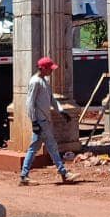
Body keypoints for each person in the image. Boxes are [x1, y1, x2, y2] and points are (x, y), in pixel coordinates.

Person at [20, 56, 73, 185]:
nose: (51, 71)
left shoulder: (44, 80)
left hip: (44, 120)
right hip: (41, 120)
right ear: (42, 68)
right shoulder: (35, 82)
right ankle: (63, 172)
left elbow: (51, 99)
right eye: (50, 69)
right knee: (52, 145)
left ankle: (24, 176)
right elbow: (30, 103)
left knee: (34, 148)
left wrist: (61, 111)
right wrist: (34, 122)